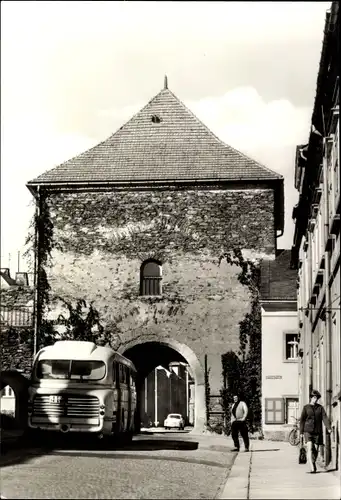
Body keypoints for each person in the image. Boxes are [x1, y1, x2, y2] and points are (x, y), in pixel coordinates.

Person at [299, 389, 332, 473]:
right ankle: (312, 467)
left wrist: (328, 427)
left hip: (317, 431)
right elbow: (302, 420)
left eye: (317, 398)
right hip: (308, 431)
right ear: (311, 398)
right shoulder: (306, 407)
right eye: (314, 397)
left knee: (316, 449)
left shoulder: (320, 408)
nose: (315, 399)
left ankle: (313, 461)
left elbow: (324, 417)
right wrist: (301, 432)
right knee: (309, 448)